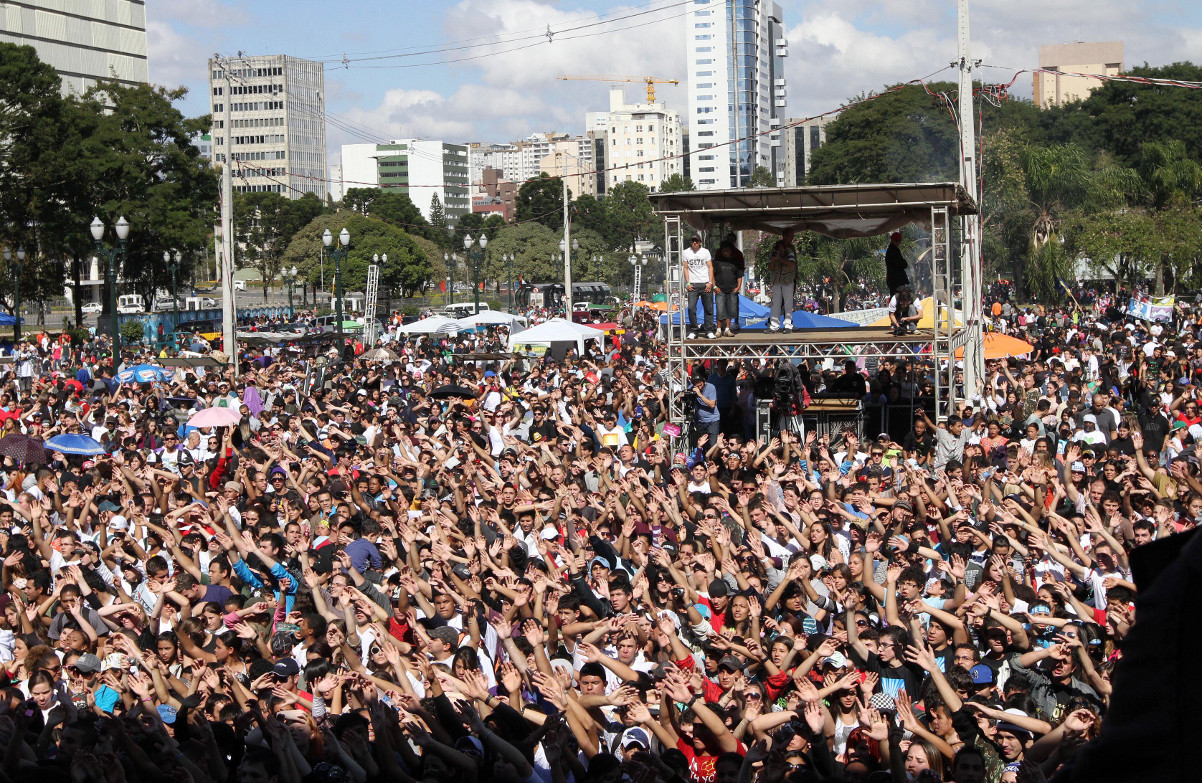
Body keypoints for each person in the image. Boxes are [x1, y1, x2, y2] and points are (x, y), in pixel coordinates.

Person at [684, 235, 715, 339]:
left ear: (700, 242)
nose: (694, 243)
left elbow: (710, 267)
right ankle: (693, 330)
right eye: (692, 241)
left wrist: (710, 282)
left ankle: (709, 330)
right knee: (691, 308)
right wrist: (688, 283)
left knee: (708, 308)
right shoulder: (686, 252)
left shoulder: (705, 252)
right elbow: (685, 268)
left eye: (696, 241)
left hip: (705, 282)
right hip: (693, 284)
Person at [712, 240, 744, 338]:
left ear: (730, 251)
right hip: (720, 289)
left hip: (732, 289)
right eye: (724, 251)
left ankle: (727, 329)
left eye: (727, 250)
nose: (725, 252)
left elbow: (739, 275)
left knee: (731, 310)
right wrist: (714, 286)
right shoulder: (717, 262)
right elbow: (712, 275)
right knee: (720, 309)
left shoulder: (735, 262)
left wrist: (738, 287)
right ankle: (718, 330)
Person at [767, 230, 797, 334]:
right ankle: (774, 325)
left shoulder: (790, 252)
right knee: (776, 303)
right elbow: (770, 268)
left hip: (787, 280)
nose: (780, 250)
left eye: (782, 248)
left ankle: (788, 325)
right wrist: (773, 260)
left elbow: (792, 264)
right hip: (777, 281)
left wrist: (781, 259)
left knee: (788, 304)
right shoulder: (773, 254)